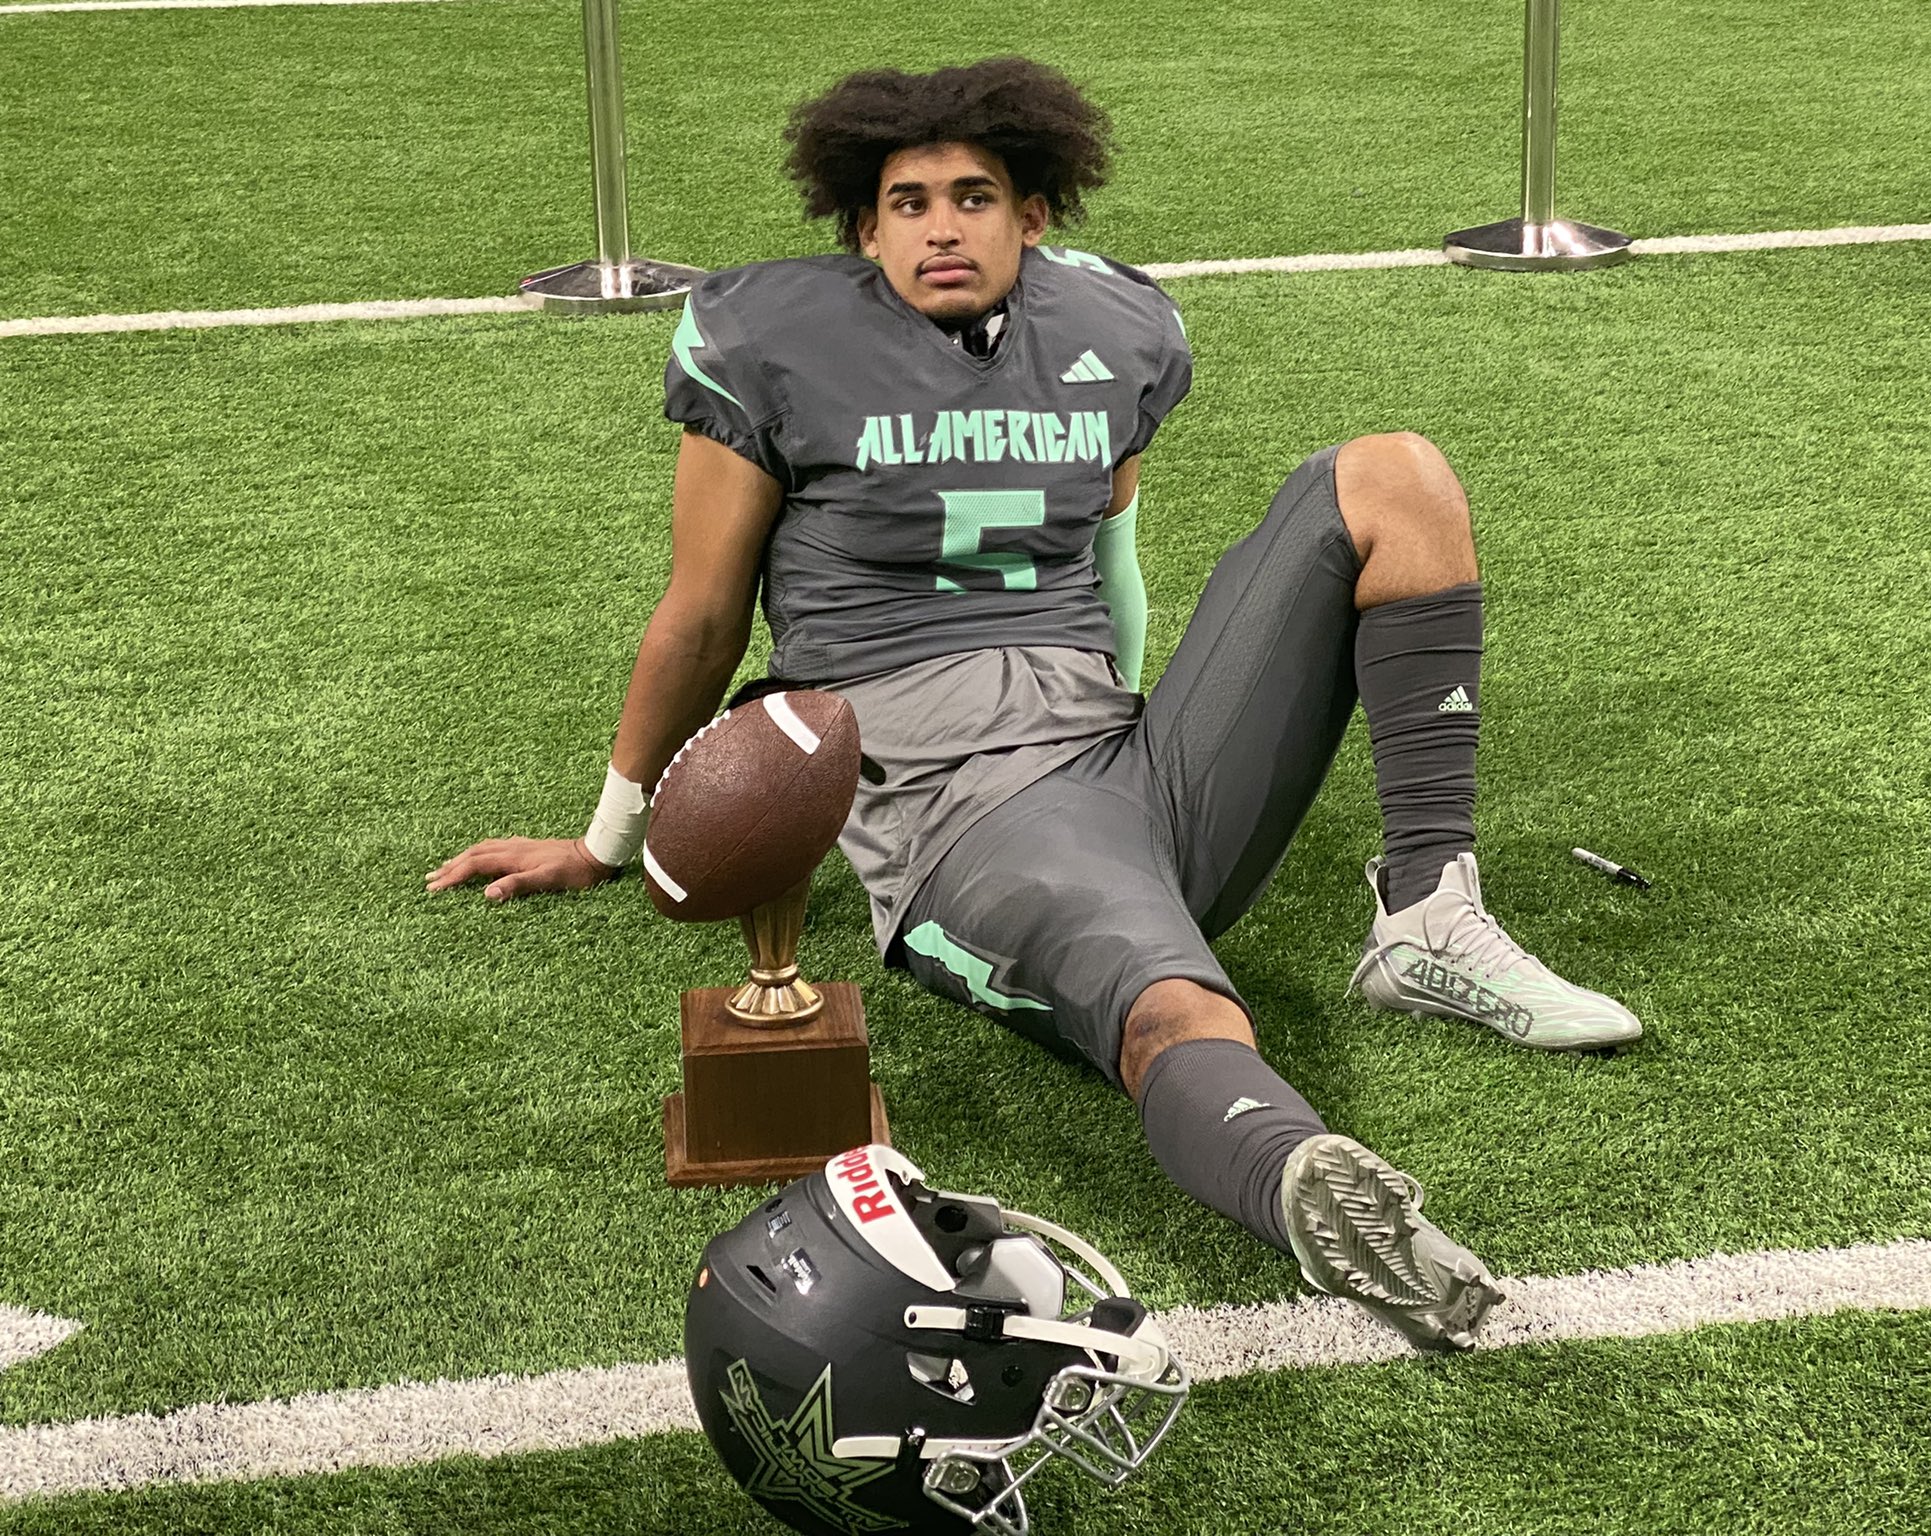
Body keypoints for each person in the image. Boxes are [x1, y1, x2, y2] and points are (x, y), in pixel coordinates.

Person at [429, 57, 1641, 1351]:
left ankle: (1428, 918)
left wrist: (1134, 712)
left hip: (1120, 749)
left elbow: (1108, 548)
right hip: (961, 817)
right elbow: (702, 616)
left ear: (1034, 214)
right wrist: (611, 836)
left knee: (1395, 478)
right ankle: (1298, 1178)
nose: (941, 226)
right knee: (1175, 1005)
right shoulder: (771, 348)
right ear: (858, 224)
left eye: (973, 195)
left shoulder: (1113, 328)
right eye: (906, 202)